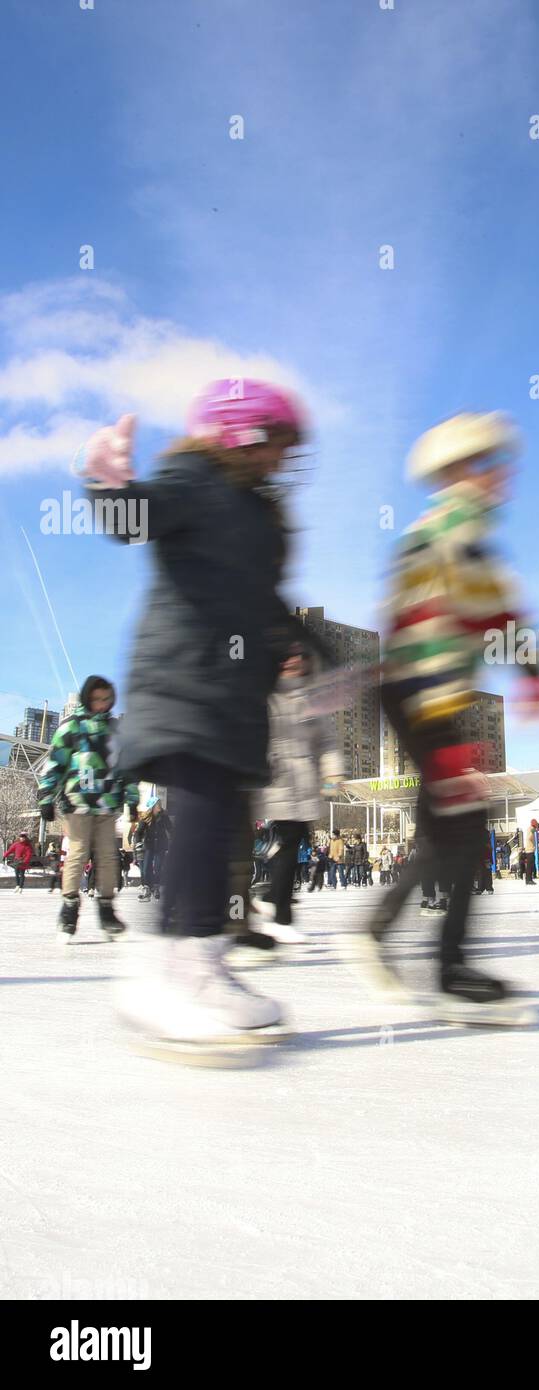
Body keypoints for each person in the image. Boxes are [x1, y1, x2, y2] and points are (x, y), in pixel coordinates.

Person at [78, 381, 308, 1045]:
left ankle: (199, 962)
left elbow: (264, 602)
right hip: (185, 683)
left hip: (230, 695)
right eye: (275, 447)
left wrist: (297, 648)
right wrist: (109, 481)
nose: (280, 463)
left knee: (222, 825)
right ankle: (167, 973)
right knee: (203, 818)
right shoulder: (196, 476)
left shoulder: (257, 514)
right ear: (239, 434)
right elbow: (134, 520)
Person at [352, 413, 539, 1018]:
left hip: (427, 698)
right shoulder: (450, 531)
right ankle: (450, 969)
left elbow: (497, 617)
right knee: (463, 831)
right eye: (490, 463)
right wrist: (528, 676)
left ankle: (380, 930)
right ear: (460, 470)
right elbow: (463, 623)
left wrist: (533, 673)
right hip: (424, 697)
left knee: (445, 834)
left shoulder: (459, 533)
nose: (503, 475)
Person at [249, 644, 344, 942]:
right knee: (289, 843)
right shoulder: (267, 695)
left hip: (304, 781)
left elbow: (327, 741)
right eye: (288, 657)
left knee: (295, 842)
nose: (294, 662)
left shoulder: (312, 697)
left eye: (300, 657)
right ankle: (281, 916)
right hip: (276, 779)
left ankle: (269, 898)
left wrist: (332, 775)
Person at [36, 675, 138, 939]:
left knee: (107, 855)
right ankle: (69, 907)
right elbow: (56, 763)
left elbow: (127, 768)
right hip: (77, 803)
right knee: (78, 853)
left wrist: (132, 798)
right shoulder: (71, 727)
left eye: (106, 699)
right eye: (96, 699)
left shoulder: (115, 730)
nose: (101, 704)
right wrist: (46, 797)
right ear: (87, 698)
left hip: (106, 804)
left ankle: (106, 907)